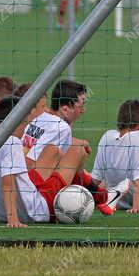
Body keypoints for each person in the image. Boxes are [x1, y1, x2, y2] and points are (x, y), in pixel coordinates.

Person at [0, 95, 125, 226]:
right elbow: (8, 182)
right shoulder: (13, 142)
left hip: (4, 211)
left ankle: (99, 194)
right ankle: (104, 197)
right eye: (25, 123)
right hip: (37, 209)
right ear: (14, 122)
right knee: (77, 148)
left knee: (53, 150)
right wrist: (13, 219)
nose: (25, 128)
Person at [22, 79, 115, 214]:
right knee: (77, 152)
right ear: (65, 108)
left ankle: (101, 195)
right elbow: (32, 163)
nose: (83, 110)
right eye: (81, 105)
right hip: (35, 190)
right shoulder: (61, 127)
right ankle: (101, 196)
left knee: (74, 150)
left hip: (21, 183)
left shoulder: (40, 117)